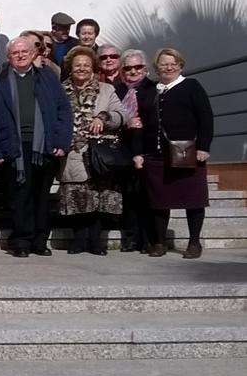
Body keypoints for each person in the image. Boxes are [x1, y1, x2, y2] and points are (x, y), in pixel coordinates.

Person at [0, 37, 73, 258]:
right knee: (19, 197)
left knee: (41, 197)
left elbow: (64, 111)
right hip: (14, 147)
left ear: (33, 54)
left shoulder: (48, 79)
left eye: (25, 51)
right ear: (9, 57)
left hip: (44, 146)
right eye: (15, 52)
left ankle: (40, 240)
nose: (21, 55)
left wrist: (62, 142)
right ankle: (21, 241)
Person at [136, 48, 213, 259]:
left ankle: (194, 243)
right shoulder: (149, 90)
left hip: (187, 152)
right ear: (156, 67)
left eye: (173, 63)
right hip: (156, 153)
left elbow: (206, 118)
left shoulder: (191, 86)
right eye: (164, 63)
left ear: (180, 65)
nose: (169, 67)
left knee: (194, 199)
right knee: (159, 200)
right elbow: (141, 122)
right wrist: (140, 152)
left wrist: (204, 147)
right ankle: (159, 242)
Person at [56, 46, 129, 255]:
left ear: (93, 68)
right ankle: (78, 240)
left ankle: (96, 241)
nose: (81, 68)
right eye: (77, 65)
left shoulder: (106, 89)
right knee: (77, 198)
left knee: (98, 198)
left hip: (99, 153)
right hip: (73, 152)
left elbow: (123, 115)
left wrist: (103, 117)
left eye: (86, 65)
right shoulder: (60, 90)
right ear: (70, 67)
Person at [115, 49, 157, 253]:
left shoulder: (155, 89)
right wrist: (126, 122)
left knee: (148, 196)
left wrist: (144, 122)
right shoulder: (117, 90)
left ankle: (149, 238)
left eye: (137, 67)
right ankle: (131, 237)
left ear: (145, 69)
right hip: (124, 148)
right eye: (128, 68)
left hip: (149, 149)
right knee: (130, 196)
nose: (133, 71)